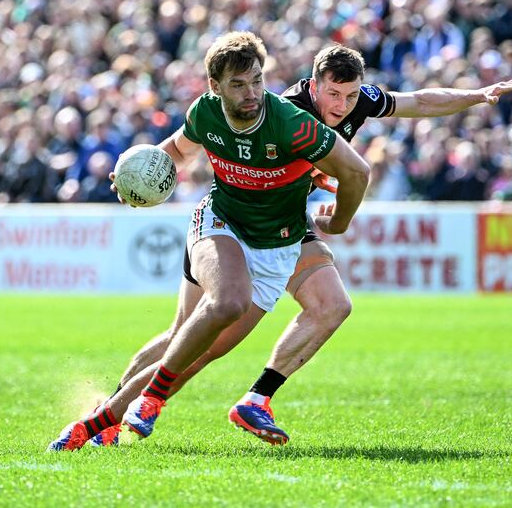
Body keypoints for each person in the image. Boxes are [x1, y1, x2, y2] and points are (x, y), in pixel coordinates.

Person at [76, 44, 512, 447]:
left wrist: (478, 94)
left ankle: (256, 399)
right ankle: (114, 409)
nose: (342, 105)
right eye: (333, 95)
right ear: (313, 86)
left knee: (332, 305)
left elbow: (419, 101)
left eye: (351, 96)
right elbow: (185, 146)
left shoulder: (356, 101)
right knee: (189, 337)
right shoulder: (282, 110)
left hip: (287, 221)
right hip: (238, 218)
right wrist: (141, 173)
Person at [48, 31, 370, 451]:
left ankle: (97, 420)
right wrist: (139, 175)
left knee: (192, 347)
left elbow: (357, 172)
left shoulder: (292, 124)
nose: (251, 92)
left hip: (276, 246)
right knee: (226, 303)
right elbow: (178, 151)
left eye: (256, 80)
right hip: (220, 223)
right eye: (238, 84)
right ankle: (149, 400)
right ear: (215, 87)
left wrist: (341, 222)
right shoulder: (206, 113)